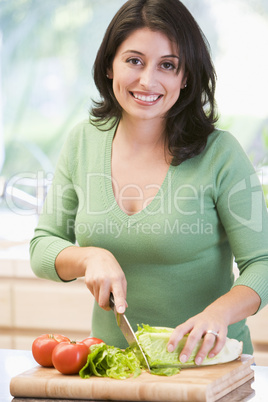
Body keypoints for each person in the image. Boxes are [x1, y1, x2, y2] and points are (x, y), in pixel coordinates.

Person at [30, 0, 268, 366]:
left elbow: (263, 262)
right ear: (110, 65)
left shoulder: (221, 154)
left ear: (185, 77)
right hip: (114, 365)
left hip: (209, 364)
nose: (148, 80)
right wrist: (89, 257)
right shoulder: (83, 141)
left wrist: (218, 314)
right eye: (134, 61)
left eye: (167, 65)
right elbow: (43, 246)